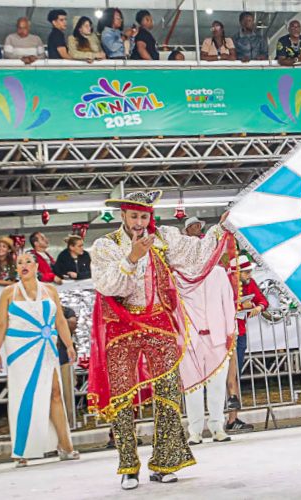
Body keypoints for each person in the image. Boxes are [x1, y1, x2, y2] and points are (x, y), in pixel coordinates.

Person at [89, 190, 233, 489]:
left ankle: (165, 461)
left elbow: (197, 254)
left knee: (168, 393)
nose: (140, 222)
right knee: (122, 397)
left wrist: (221, 228)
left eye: (144, 216)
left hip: (160, 323)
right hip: (121, 327)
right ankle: (128, 466)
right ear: (123, 216)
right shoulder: (106, 245)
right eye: (134, 216)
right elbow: (108, 285)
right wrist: (132, 257)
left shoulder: (164, 238)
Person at [0, 252, 79, 466]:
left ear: (36, 266)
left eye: (28, 262)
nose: (23, 265)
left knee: (55, 393)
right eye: (20, 262)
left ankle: (66, 446)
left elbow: (59, 319)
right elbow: (1, 323)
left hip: (46, 346)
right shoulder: (8, 292)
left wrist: (68, 345)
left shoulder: (49, 290)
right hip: (20, 349)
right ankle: (21, 450)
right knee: (24, 396)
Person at [178, 243, 238, 445]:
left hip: (217, 338)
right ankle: (194, 431)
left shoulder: (219, 274)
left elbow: (228, 303)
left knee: (217, 385)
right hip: (190, 341)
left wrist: (231, 331)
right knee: (192, 387)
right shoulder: (179, 277)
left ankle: (217, 426)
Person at [225, 255, 267, 433]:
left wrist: (258, 307)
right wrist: (242, 307)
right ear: (237, 272)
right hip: (227, 333)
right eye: (246, 271)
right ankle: (225, 418)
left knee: (234, 376)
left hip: (239, 332)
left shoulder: (249, 283)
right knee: (229, 377)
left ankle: (231, 419)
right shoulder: (225, 283)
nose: (250, 274)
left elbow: (263, 301)